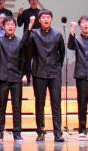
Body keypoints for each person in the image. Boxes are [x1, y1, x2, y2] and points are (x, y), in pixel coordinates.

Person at [23, 9, 66, 142]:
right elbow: (24, 43)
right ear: (39, 20)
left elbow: (62, 53)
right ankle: (40, 131)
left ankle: (58, 133)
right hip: (39, 72)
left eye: (48, 17)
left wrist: (57, 67)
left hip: (54, 74)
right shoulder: (34, 34)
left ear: (51, 19)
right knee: (40, 103)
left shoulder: (58, 35)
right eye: (43, 17)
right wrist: (30, 26)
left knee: (56, 103)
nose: (46, 19)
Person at [0, 17, 25, 141]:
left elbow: (23, 59)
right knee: (1, 106)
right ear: (3, 27)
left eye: (12, 24)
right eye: (7, 24)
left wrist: (24, 74)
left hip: (16, 78)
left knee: (17, 106)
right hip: (3, 77)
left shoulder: (20, 41)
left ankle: (17, 132)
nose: (10, 26)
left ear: (15, 26)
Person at [17, 0, 41, 83]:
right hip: (27, 40)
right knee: (27, 60)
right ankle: (27, 78)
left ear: (37, 1)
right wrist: (20, 14)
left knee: (38, 59)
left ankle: (38, 78)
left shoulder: (41, 13)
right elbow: (19, 24)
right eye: (31, 0)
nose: (33, 1)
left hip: (39, 39)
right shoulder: (26, 12)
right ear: (29, 1)